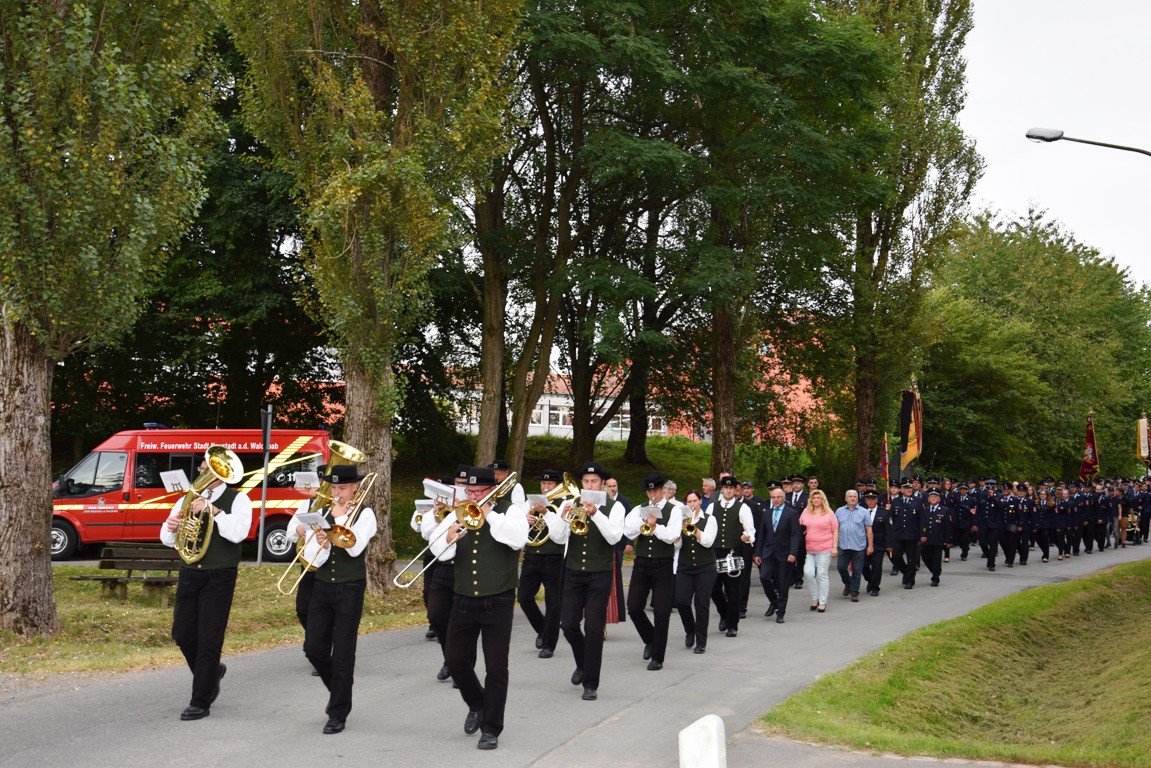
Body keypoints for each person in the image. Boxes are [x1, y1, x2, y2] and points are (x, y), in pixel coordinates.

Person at [431, 466, 529, 751]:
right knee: (455, 660)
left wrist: (489, 514)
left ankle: (491, 728)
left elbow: (517, 540)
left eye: (478, 491)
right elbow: (436, 550)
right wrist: (448, 538)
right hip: (463, 597)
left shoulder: (510, 511)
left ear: (492, 491)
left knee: (496, 666)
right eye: (469, 491)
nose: (472, 496)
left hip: (498, 599)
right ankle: (477, 703)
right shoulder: (457, 513)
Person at [160, 454, 252, 721]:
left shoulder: (238, 500)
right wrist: (172, 527)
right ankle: (212, 673)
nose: (203, 475)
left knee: (209, 638)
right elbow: (166, 538)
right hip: (190, 572)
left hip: (220, 575)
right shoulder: (186, 499)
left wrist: (213, 510)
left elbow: (239, 533)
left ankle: (200, 701)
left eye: (208, 471)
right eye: (202, 469)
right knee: (182, 634)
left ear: (223, 476)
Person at [303, 463, 378, 734]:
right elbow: (313, 558)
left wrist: (338, 523)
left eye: (343, 487)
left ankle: (337, 712)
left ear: (355, 487)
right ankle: (339, 691)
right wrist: (320, 542)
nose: (337, 493)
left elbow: (355, 548)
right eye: (334, 487)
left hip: (350, 588)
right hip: (322, 586)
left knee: (344, 651)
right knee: (313, 648)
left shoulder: (365, 514)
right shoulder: (321, 513)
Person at [546, 462, 625, 701]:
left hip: (599, 574)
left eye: (594, 481)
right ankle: (583, 662)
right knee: (568, 625)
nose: (589, 485)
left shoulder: (614, 506)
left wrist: (595, 513)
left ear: (602, 484)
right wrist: (562, 517)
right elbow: (557, 538)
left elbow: (614, 537)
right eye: (586, 482)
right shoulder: (572, 503)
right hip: (572, 572)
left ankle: (591, 683)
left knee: (593, 629)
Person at [623, 472, 681, 670]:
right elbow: (628, 531)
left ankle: (658, 657)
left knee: (662, 612)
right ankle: (650, 639)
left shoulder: (674, 510)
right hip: (641, 563)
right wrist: (643, 523)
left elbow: (672, 536)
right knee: (633, 607)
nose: (653, 495)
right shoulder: (639, 509)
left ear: (663, 490)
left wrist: (654, 526)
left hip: (663, 564)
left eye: (656, 491)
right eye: (649, 492)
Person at [520, 469, 566, 659]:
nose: (546, 487)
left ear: (557, 485)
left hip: (553, 557)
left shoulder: (564, 504)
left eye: (550, 484)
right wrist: (525, 520)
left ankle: (548, 645)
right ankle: (542, 629)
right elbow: (517, 525)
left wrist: (546, 513)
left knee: (553, 603)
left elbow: (559, 534)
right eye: (543, 484)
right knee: (524, 598)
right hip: (531, 555)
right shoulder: (530, 503)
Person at [709, 476, 755, 636]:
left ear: (736, 490)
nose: (728, 490)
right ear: (721, 489)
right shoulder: (712, 507)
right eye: (725, 488)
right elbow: (706, 526)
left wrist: (748, 537)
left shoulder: (743, 508)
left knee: (733, 590)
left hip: (733, 552)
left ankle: (732, 625)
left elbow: (750, 530)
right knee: (713, 587)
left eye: (731, 488)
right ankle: (724, 613)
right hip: (714, 552)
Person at [674, 490, 717, 651]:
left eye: (694, 501)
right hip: (685, 567)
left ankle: (701, 642)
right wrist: (677, 535)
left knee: (701, 604)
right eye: (689, 502)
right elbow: (677, 546)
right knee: (681, 601)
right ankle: (690, 629)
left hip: (705, 567)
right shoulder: (680, 519)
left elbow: (707, 542)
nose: (692, 504)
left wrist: (693, 528)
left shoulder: (710, 519)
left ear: (700, 501)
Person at [753, 486, 801, 623]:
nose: (776, 499)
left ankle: (781, 612)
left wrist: (793, 553)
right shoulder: (766, 513)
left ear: (784, 498)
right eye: (773, 497)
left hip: (785, 554)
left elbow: (795, 535)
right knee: (764, 577)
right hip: (768, 553)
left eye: (779, 497)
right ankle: (774, 601)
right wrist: (757, 553)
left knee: (783, 584)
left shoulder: (792, 513)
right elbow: (761, 534)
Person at [799, 489, 838, 612]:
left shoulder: (829, 513)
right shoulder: (806, 512)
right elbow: (800, 527)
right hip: (809, 549)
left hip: (824, 548)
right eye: (814, 498)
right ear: (811, 500)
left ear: (822, 499)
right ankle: (814, 598)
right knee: (808, 573)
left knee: (821, 574)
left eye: (818, 498)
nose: (816, 500)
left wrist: (835, 546)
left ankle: (822, 602)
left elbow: (835, 530)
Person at [834, 490, 871, 602]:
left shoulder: (864, 511)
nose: (852, 498)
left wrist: (870, 545)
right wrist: (834, 545)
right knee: (841, 567)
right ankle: (848, 583)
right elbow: (835, 529)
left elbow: (869, 529)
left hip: (859, 546)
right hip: (843, 545)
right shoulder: (839, 511)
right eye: (850, 496)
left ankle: (854, 593)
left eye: (855, 496)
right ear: (846, 499)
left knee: (857, 571)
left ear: (857, 498)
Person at [889, 480, 921, 588]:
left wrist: (922, 533)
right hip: (898, 534)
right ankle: (906, 572)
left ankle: (910, 581)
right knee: (895, 555)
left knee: (911, 558)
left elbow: (921, 518)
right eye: (906, 488)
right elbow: (891, 517)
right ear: (901, 490)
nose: (909, 489)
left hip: (912, 534)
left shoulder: (917, 501)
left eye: (910, 488)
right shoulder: (896, 501)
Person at [919, 488, 953, 587]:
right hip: (926, 538)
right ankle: (935, 571)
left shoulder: (944, 510)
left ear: (939, 499)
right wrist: (922, 535)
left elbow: (948, 526)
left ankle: (935, 578)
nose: (933, 498)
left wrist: (949, 540)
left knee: (936, 559)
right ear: (928, 499)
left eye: (935, 497)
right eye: (931, 496)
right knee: (925, 556)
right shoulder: (924, 509)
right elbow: (921, 524)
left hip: (938, 539)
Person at [861, 490, 890, 596]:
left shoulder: (884, 512)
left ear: (877, 500)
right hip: (863, 543)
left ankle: (875, 587)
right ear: (865, 501)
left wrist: (889, 545)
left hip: (879, 544)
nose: (871, 501)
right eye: (868, 499)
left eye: (873, 499)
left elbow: (889, 530)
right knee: (863, 565)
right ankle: (870, 580)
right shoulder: (861, 511)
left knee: (876, 567)